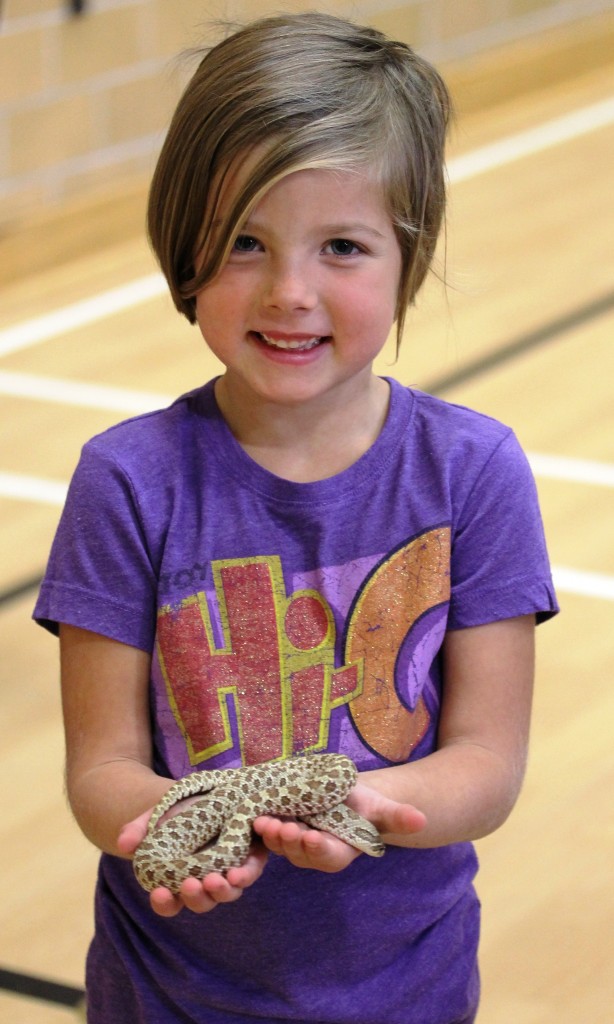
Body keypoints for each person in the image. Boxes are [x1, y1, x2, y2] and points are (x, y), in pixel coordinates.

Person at [34, 11, 558, 1024]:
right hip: (168, 989)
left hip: (403, 983)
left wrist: (361, 807)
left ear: (408, 258)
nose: (288, 292)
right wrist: (173, 829)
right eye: (244, 241)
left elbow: (486, 764)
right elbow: (99, 768)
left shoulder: (472, 472)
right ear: (184, 245)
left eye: (342, 246)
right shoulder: (127, 481)